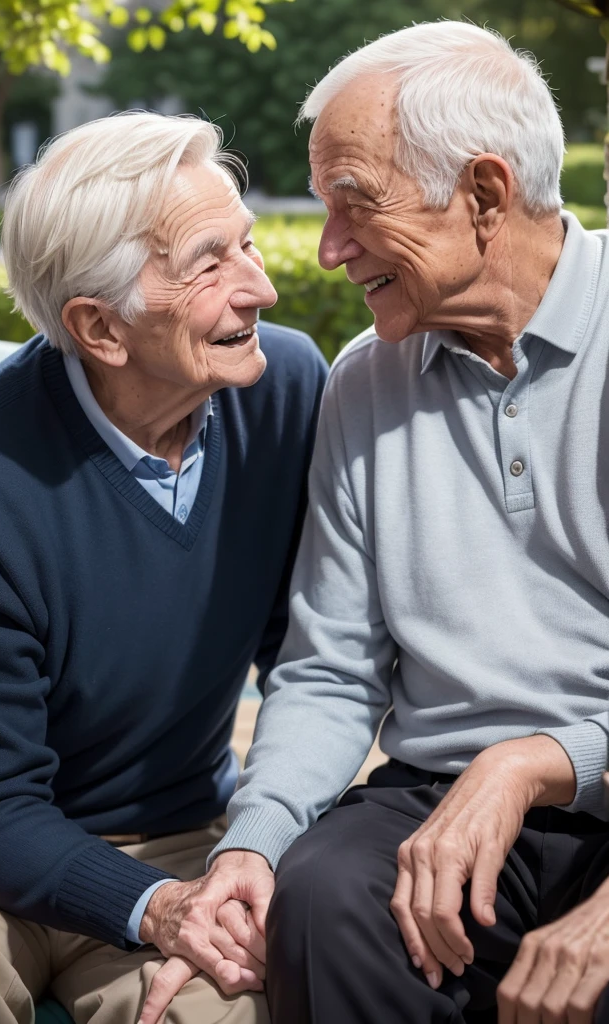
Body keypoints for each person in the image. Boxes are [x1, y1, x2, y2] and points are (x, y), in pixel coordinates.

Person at [183, 21, 609, 1024]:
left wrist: (534, 762)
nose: (326, 253)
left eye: (352, 206)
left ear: (485, 195)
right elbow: (330, 669)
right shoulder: (361, 384)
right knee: (324, 902)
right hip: (437, 801)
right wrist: (251, 842)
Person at [0, 111, 327, 1024]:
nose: (260, 287)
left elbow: (307, 654)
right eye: (209, 264)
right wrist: (154, 911)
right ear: (100, 328)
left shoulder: (284, 390)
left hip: (186, 833)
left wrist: (253, 853)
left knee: (220, 1010)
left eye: (250, 245)